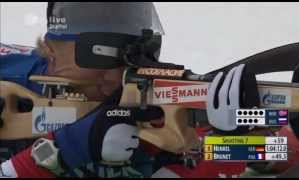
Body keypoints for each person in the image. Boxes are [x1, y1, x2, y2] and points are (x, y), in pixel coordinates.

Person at [0, 2, 253, 178]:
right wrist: (68, 147)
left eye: (127, 60)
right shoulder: (8, 76)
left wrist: (233, 142)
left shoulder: (156, 99)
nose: (116, 75)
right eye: (99, 59)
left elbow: (279, 147)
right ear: (51, 50)